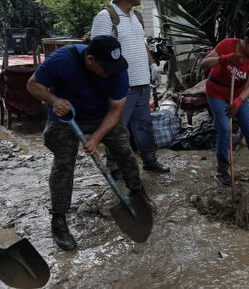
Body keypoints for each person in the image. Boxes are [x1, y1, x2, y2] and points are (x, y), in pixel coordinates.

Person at [26, 36, 153, 251]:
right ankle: (58, 219)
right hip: (65, 116)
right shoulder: (61, 59)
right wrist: (54, 100)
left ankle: (137, 192)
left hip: (102, 115)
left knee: (124, 150)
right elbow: (33, 84)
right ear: (91, 59)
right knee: (63, 164)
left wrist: (96, 138)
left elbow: (116, 110)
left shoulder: (118, 69)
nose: (110, 73)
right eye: (106, 69)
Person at [91, 0, 169, 173]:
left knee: (144, 125)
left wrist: (152, 65)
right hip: (120, 85)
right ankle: (115, 167)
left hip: (142, 82)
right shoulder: (106, 17)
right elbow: (98, 51)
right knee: (118, 128)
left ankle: (149, 160)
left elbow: (143, 45)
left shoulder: (136, 16)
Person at [200, 22, 249, 186]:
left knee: (248, 126)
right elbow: (204, 64)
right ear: (246, 40)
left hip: (238, 94)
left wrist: (239, 101)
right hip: (216, 92)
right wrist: (223, 59)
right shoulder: (227, 45)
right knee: (225, 128)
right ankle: (222, 169)